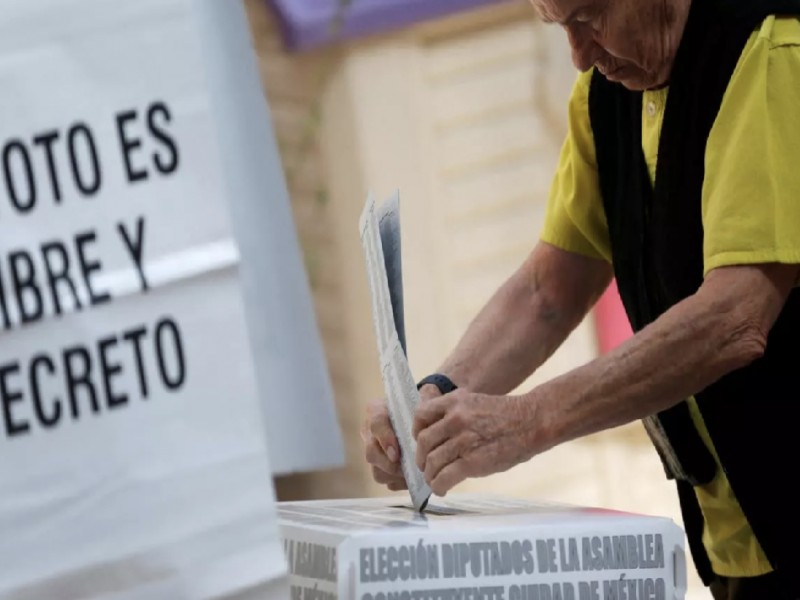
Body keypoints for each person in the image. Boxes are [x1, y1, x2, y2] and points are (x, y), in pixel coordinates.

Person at [360, 0, 800, 598]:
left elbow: (737, 315)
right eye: (559, 26)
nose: (578, 54)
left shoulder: (769, 47)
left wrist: (530, 420)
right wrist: (435, 400)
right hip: (740, 545)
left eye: (589, 17)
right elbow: (548, 289)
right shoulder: (604, 97)